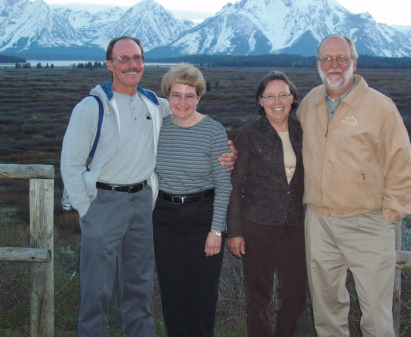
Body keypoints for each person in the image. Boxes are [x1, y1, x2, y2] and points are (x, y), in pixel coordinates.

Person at [60, 37, 235, 337]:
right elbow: (70, 164)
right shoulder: (91, 107)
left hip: (143, 204)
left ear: (143, 63)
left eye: (137, 58)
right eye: (123, 58)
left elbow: (188, 115)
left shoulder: (154, 104)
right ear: (110, 64)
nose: (131, 64)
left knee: (139, 291)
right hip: (103, 203)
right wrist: (86, 209)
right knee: (96, 293)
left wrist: (229, 150)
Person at [297, 34, 411, 337]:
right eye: (327, 58)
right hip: (319, 221)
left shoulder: (380, 107)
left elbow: (402, 163)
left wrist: (389, 214)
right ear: (318, 63)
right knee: (327, 312)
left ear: (354, 61)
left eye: (341, 58)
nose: (333, 65)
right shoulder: (309, 103)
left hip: (368, 222)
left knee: (376, 315)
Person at [152, 63, 232, 337]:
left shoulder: (213, 131)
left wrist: (216, 231)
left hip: (203, 217)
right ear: (167, 96)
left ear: (199, 97)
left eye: (189, 95)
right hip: (163, 218)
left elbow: (224, 185)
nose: (182, 102)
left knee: (202, 295)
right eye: (176, 94)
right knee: (172, 293)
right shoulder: (157, 129)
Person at [227, 71, 307, 337]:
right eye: (269, 95)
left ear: (292, 98)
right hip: (257, 225)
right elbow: (235, 186)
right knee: (259, 296)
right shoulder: (247, 135)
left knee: (295, 295)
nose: (277, 101)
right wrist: (235, 231)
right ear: (260, 101)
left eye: (283, 94)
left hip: (295, 225)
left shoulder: (303, 131)